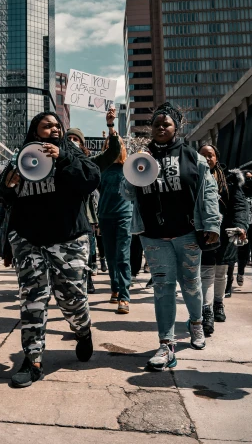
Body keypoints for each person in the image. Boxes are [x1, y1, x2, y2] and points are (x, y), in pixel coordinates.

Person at [1, 111, 100, 388]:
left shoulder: (71, 153)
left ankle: (82, 329)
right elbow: (4, 194)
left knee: (71, 298)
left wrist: (64, 157)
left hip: (68, 239)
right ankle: (32, 360)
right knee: (32, 299)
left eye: (57, 125)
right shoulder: (20, 157)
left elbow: (91, 179)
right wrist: (8, 183)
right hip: (29, 240)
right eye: (47, 126)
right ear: (35, 131)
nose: (54, 129)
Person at [121, 103, 220, 371]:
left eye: (166, 124)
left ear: (176, 127)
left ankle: (196, 322)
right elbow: (127, 193)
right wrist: (135, 164)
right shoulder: (142, 156)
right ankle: (166, 344)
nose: (161, 128)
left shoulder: (192, 156)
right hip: (153, 235)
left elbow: (208, 191)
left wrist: (211, 224)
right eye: (156, 125)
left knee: (191, 284)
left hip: (187, 232)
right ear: (151, 129)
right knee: (163, 288)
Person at [65, 107, 120, 294]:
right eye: (69, 139)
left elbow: (113, 152)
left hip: (84, 218)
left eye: (76, 139)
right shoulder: (55, 162)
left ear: (82, 144)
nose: (72, 142)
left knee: (87, 253)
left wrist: (111, 126)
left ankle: (87, 278)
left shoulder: (90, 164)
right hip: (62, 218)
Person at [198, 144, 248, 331]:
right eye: (203, 155)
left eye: (210, 155)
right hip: (203, 232)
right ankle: (206, 311)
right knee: (206, 273)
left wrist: (241, 226)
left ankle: (218, 304)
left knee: (221, 272)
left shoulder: (230, 180)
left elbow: (240, 206)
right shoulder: (192, 177)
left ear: (217, 158)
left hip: (226, 232)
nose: (207, 158)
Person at [98, 136, 133, 313]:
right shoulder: (101, 168)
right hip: (104, 215)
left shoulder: (129, 168)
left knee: (122, 255)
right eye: (108, 145)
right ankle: (115, 287)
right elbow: (98, 191)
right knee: (110, 256)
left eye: (117, 145)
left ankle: (124, 296)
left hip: (124, 215)